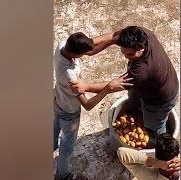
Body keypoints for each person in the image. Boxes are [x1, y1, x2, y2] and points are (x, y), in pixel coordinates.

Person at [71, 26, 179, 139]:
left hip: (160, 100)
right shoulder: (140, 34)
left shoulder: (142, 70)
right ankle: (139, 111)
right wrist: (89, 46)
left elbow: (114, 85)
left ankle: (160, 140)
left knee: (154, 126)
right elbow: (113, 36)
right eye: (124, 53)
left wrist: (86, 87)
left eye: (130, 55)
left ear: (141, 48)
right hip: (146, 86)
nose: (127, 57)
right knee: (134, 99)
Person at [53, 32, 132, 180]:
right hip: (69, 111)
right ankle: (62, 175)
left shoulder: (62, 45)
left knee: (54, 129)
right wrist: (109, 88)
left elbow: (93, 44)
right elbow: (88, 105)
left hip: (58, 99)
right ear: (76, 54)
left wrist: (113, 39)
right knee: (67, 147)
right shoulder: (69, 74)